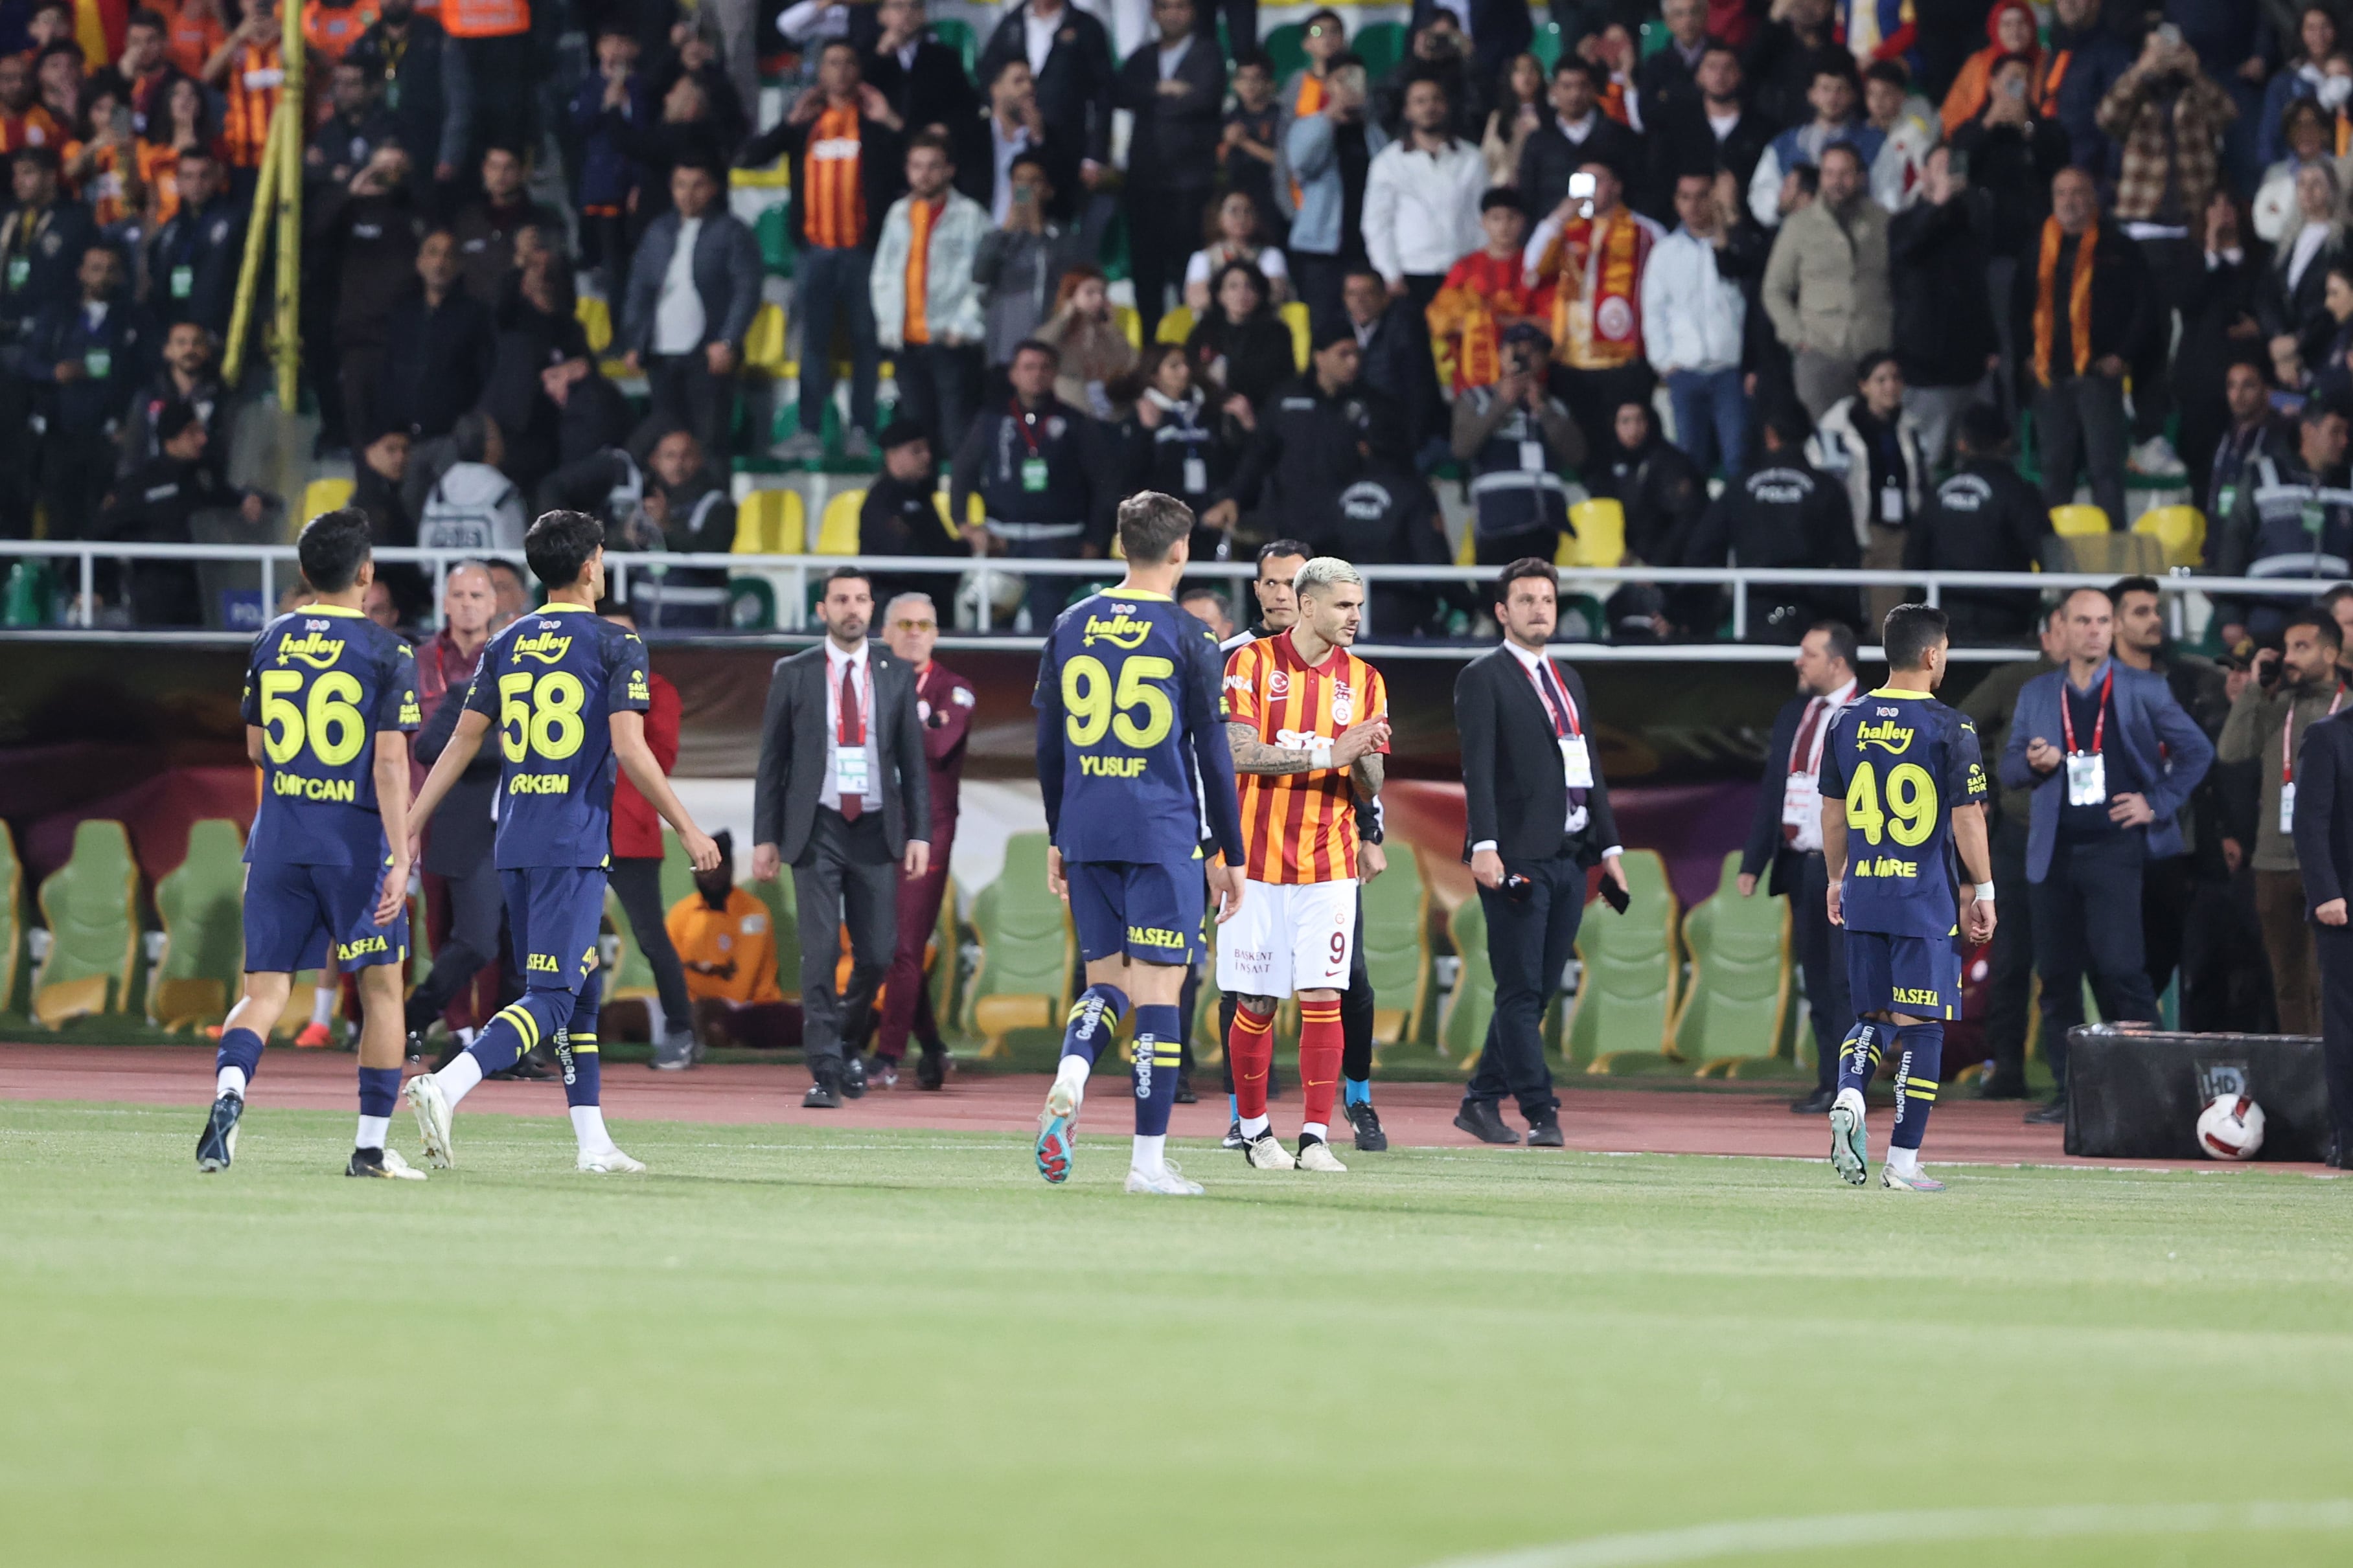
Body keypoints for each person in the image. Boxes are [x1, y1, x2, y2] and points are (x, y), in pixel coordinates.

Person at [404, 510, 724, 1174]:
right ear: (589, 566)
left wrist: (409, 822)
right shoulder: (614, 643)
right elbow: (630, 750)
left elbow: (460, 742)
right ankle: (448, 1084)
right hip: (571, 841)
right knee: (550, 997)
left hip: (515, 838)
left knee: (577, 989)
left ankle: (593, 1143)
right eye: (602, 558)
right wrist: (687, 826)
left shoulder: (506, 643)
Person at [196, 511, 424, 1179]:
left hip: (277, 838)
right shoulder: (390, 652)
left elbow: (256, 744)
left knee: (264, 991)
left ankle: (229, 1097)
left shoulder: (272, 639)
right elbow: (389, 766)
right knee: (383, 992)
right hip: (352, 845)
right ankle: (371, 1149)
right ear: (366, 573)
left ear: (303, 573)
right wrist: (401, 853)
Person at [1028, 492, 1244, 1194]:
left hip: (1087, 827)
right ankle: (1146, 1165)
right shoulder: (1192, 635)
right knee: (1158, 994)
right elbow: (1213, 759)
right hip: (1161, 832)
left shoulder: (1068, 624)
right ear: (1179, 552)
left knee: (1104, 985)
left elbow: (1047, 746)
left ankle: (1071, 1076)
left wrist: (1059, 833)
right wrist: (1229, 856)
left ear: (1122, 547)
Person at [2000, 587, 2214, 1125]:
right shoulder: (2037, 694)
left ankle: (2154, 1090)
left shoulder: (2144, 687)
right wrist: (2033, 762)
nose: (2094, 630)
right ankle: (2071, 1094)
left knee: (2123, 971)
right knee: (2057, 978)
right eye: (2084, 621)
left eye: (2102, 620)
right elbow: (2007, 771)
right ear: (2063, 629)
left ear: (2112, 628)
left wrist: (2156, 802)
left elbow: (2198, 751)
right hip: (2052, 852)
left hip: (2114, 850)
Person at [1818, 602, 1997, 1192]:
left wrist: (1837, 879)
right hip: (1923, 899)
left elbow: (1833, 812)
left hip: (1866, 893)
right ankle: (1901, 1162)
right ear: (1932, 654)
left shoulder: (1845, 721)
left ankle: (1848, 1091)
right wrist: (1985, 889)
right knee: (1921, 1027)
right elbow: (1968, 815)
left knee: (1871, 1017)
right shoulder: (1953, 726)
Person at [1217, 555, 1388, 1172]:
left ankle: (1316, 1138)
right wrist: (1329, 750)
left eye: (1359, 606)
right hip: (1255, 862)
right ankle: (1257, 1131)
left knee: (1324, 995)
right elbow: (1239, 752)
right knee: (1257, 1001)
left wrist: (1365, 756)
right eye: (1344, 605)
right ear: (1307, 604)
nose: (1354, 617)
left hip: (1330, 860)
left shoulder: (1366, 680)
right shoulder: (1250, 664)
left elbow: (1369, 781)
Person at [1454, 558, 1629, 1146]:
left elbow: (1590, 769)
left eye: (1547, 599)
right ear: (1502, 612)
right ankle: (1541, 1111)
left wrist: (1610, 848)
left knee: (1538, 989)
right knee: (1521, 990)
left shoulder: (1569, 679)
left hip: (1569, 856)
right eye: (1526, 599)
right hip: (1513, 858)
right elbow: (1475, 771)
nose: (1539, 609)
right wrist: (1483, 845)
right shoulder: (1483, 676)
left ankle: (1480, 1099)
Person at [750, 566, 931, 1109]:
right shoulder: (795, 671)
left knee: (878, 953)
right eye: (840, 599)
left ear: (872, 609)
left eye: (860, 599)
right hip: (818, 824)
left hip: (877, 826)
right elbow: (772, 761)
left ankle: (848, 1037)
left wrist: (920, 832)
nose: (852, 608)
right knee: (820, 952)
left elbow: (913, 763)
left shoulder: (895, 672)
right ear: (822, 609)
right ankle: (825, 1068)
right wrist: (766, 835)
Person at [740, 41, 903, 463]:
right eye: (833, 62)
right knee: (813, 344)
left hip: (863, 252)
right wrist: (788, 122)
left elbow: (914, 161)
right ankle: (808, 431)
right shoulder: (806, 124)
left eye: (850, 61)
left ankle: (862, 431)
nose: (842, 70)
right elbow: (750, 157)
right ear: (821, 72)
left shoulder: (871, 123)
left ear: (859, 70)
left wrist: (890, 120)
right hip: (814, 252)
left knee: (867, 343)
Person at [1739, 621, 1862, 1114]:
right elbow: (1775, 788)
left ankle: (1848, 1085)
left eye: (1808, 654)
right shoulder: (1796, 713)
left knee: (1844, 981)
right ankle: (1828, 1080)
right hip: (1802, 866)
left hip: (1850, 872)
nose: (1798, 662)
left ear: (1837, 662)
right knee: (1816, 976)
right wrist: (1755, 860)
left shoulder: (1870, 714)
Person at [2217, 611, 2347, 1039]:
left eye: (2302, 647)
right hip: (2272, 859)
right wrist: (2255, 688)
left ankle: (2334, 1083)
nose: (2290, 657)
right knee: (2288, 984)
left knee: (2327, 982)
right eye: (2288, 647)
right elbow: (2232, 750)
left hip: (2331, 865)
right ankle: (2301, 1078)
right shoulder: (2276, 705)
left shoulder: (2347, 709)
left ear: (2331, 652)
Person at [861, 591, 972, 1089]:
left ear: (937, 633)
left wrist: (898, 723)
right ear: (884, 632)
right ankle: (931, 1047)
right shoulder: (866, 681)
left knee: (902, 943)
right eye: (903, 623)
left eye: (924, 624)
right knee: (883, 942)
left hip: (929, 829)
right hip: (875, 823)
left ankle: (887, 1056)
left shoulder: (956, 688)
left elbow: (939, 744)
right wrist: (921, 721)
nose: (914, 632)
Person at [402, 560, 507, 1058]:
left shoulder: (512, 661)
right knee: (452, 936)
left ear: (494, 604)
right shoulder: (427, 666)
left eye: (477, 595)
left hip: (508, 825)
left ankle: (498, 1040)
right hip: (440, 824)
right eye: (458, 595)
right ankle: (437, 1024)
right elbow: (419, 746)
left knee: (497, 940)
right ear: (444, 602)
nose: (467, 604)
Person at [1961, 604, 2063, 1100]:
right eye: (2072, 623)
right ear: (2048, 634)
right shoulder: (2016, 678)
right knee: (2010, 958)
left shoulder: (2115, 683)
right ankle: (2006, 1065)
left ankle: (2080, 1075)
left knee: (2075, 961)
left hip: (2082, 837)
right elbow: (1959, 728)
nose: (2085, 634)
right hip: (2019, 834)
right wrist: (1981, 782)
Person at [2014, 166, 2152, 532]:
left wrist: (2122, 355)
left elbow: (2144, 307)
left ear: (2092, 199)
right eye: (2061, 193)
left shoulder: (2118, 246)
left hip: (2097, 378)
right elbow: (2017, 308)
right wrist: (2027, 356)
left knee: (2106, 471)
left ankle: (2113, 566)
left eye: (2078, 193)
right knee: (2054, 474)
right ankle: (2051, 564)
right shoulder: (2035, 249)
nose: (2070, 201)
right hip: (2050, 378)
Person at [948, 337, 1119, 631]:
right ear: (1013, 374)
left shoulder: (1077, 423)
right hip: (1001, 541)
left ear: (1055, 374)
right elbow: (962, 471)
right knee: (987, 621)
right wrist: (963, 523)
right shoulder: (992, 420)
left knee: (1048, 625)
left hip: (1058, 543)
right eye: (1028, 367)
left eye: (1044, 367)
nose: (1036, 374)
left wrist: (1095, 540)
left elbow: (1104, 485)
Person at [595, 598, 698, 1071]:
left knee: (651, 936)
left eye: (626, 636)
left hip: (632, 830)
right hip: (577, 827)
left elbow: (661, 761)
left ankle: (681, 1030)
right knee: (559, 940)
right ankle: (549, 1037)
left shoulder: (659, 691)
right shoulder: (572, 690)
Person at [619, 157, 761, 460]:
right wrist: (635, 341)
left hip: (707, 356)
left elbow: (746, 290)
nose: (688, 194)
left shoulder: (732, 232)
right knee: (666, 444)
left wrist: (728, 341)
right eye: (681, 185)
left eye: (698, 185)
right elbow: (640, 289)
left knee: (709, 443)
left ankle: (712, 507)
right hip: (661, 355)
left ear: (713, 189)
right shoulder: (658, 231)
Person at [1682, 405, 1860, 641]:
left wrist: (1705, 611)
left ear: (1769, 434)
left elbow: (1702, 549)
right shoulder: (1827, 487)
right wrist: (1851, 618)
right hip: (1814, 610)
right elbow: (1848, 556)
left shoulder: (1740, 487)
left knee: (1758, 678)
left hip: (1756, 608)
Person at [1525, 159, 1662, 458]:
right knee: (1578, 447)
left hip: (1622, 359)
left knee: (1622, 447)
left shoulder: (1646, 231)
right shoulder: (1564, 229)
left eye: (1596, 181)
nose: (1587, 191)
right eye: (1581, 181)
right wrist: (1560, 215)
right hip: (1571, 358)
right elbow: (1531, 267)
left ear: (1617, 186)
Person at [94, 399, 264, 625]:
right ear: (172, 436)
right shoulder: (141, 484)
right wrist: (97, 588)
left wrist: (247, 500)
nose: (202, 440)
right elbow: (102, 531)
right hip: (157, 598)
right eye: (192, 432)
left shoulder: (205, 477)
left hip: (205, 595)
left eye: (202, 431)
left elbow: (228, 500)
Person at [870, 131, 988, 451]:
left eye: (933, 166)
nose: (924, 174)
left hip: (950, 342)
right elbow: (883, 274)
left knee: (957, 434)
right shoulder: (898, 214)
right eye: (917, 166)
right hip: (906, 343)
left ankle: (962, 501)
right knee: (918, 438)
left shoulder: (970, 216)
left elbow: (984, 278)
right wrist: (888, 326)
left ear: (950, 170)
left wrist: (962, 327)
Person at [1888, 144, 2002, 470]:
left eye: (1952, 167)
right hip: (1925, 364)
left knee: (1978, 460)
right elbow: (1908, 249)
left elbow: (1980, 286)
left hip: (1971, 362)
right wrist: (1936, 204)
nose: (1947, 174)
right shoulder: (1902, 222)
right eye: (1939, 167)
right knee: (1926, 459)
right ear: (1922, 174)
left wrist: (1990, 342)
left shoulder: (1971, 220)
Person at [1114, 0, 1223, 339]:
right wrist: (1163, 91)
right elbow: (1118, 92)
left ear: (1193, 12)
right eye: (1165, 7)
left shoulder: (1208, 54)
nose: (1172, 14)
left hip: (1190, 186)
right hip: (1145, 185)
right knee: (1147, 276)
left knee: (1188, 274)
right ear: (1154, 13)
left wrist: (1149, 101)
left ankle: (1192, 349)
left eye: (1180, 6)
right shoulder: (1143, 57)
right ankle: (1151, 353)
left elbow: (1205, 98)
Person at [1763, 142, 1892, 420]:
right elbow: (1774, 289)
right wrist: (1797, 337)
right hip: (1820, 353)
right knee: (1826, 445)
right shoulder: (1799, 225)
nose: (1837, 182)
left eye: (1845, 174)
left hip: (1875, 352)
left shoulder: (1884, 222)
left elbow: (1899, 282)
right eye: (1829, 173)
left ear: (1861, 177)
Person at [2212, 397, 2353, 647]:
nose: (2344, 441)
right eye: (2335, 432)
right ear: (2308, 431)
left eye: (2346, 433)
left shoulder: (2350, 484)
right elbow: (2233, 545)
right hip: (2269, 618)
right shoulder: (2261, 475)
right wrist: (2231, 616)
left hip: (2332, 624)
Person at [1901, 403, 2048, 644]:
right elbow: (2048, 553)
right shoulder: (2021, 492)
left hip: (1944, 617)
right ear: (2006, 441)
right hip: (2008, 621)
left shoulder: (1937, 492)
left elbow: (1913, 557)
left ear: (1962, 444)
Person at [27, 244, 144, 541]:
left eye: (110, 270)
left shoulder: (132, 320)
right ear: (81, 272)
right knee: (59, 515)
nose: (102, 277)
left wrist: (127, 421)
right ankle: (62, 583)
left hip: (107, 435)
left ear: (120, 276)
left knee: (103, 516)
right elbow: (28, 361)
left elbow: (143, 372)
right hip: (60, 433)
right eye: (95, 268)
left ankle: (97, 586)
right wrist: (54, 372)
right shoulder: (58, 316)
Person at [1643, 168, 1752, 479]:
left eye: (1702, 196)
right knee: (1689, 466)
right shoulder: (1666, 253)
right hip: (1685, 372)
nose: (1693, 205)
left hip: (1729, 370)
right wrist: (1664, 362)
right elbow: (1654, 311)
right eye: (1685, 197)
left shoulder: (1737, 246)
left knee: (1738, 460)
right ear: (1676, 202)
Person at [1451, 321, 1581, 565]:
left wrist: (1543, 410)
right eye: (1518, 350)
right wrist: (1501, 403)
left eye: (1534, 351)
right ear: (1501, 355)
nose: (1526, 357)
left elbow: (1576, 455)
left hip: (1545, 523)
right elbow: (1462, 448)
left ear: (1543, 359)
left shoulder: (1554, 405)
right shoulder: (1475, 399)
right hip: (1498, 521)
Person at [1817, 350, 1927, 628]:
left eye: (1896, 378)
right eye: (1881, 380)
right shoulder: (1836, 427)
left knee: (1887, 622)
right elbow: (1825, 481)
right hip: (1849, 533)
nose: (1890, 386)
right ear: (1863, 386)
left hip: (1893, 534)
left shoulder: (1910, 427)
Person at [2289, 694, 2353, 1159]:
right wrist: (2326, 892)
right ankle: (2350, 1141)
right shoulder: (2328, 735)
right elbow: (2309, 822)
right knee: (2347, 1027)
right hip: (2345, 911)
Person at [1362, 72, 1484, 315]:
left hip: (1464, 272)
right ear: (1407, 111)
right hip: (1411, 275)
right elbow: (1377, 223)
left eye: (1436, 99)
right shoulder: (1389, 162)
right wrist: (1389, 273)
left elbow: (1483, 217)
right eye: (1420, 101)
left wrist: (1482, 268)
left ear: (1446, 106)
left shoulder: (1471, 158)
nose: (1429, 107)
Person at [1283, 58, 1383, 334]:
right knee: (1325, 326)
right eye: (1342, 80)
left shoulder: (1373, 131)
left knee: (1371, 323)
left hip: (1366, 245)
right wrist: (1329, 116)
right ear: (1327, 85)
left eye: (1355, 79)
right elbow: (1301, 164)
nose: (1349, 88)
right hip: (1322, 248)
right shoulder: (1308, 125)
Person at [668, 830, 792, 1050]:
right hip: (688, 1007)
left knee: (713, 1020)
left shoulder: (753, 914)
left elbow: (739, 989)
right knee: (616, 1017)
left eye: (720, 866)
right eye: (705, 868)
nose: (713, 875)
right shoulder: (680, 914)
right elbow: (670, 978)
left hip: (751, 1008)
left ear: (731, 868)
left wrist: (694, 976)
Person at [973, 0, 1114, 193]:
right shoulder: (1012, 22)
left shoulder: (1085, 26)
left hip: (1065, 150)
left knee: (1055, 211)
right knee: (1016, 201)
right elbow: (987, 76)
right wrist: (1004, 120)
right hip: (1015, 146)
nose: (1028, 88)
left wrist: (1094, 157)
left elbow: (1103, 94)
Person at [1426, 186, 1548, 394]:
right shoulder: (1464, 268)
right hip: (1473, 373)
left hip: (1527, 374)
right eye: (1496, 218)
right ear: (1483, 223)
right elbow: (1438, 318)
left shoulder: (1537, 266)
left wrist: (1492, 322)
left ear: (1523, 221)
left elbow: (1551, 323)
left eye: (1511, 218)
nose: (1504, 226)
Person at [1747, 56, 1883, 233]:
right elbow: (1762, 194)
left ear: (1853, 95)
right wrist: (1782, 206)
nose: (1833, 98)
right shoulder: (1784, 144)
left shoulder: (1874, 143)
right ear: (1811, 94)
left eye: (1841, 90)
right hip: (1796, 240)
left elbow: (1887, 198)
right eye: (1825, 89)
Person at [860, 418, 966, 611]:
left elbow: (940, 544)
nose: (927, 457)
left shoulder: (921, 495)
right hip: (895, 608)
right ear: (892, 456)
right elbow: (907, 554)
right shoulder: (881, 502)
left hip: (932, 603)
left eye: (927, 450)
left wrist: (968, 547)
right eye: (916, 451)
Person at [1517, 59, 1638, 222]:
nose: (1575, 94)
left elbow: (1635, 190)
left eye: (1582, 86)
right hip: (1553, 238)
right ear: (1554, 90)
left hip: (1612, 236)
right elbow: (1527, 195)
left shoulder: (1618, 136)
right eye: (1567, 87)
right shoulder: (1538, 141)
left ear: (1594, 89)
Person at [1343, 264, 1445, 458]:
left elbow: (1418, 393)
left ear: (1385, 297)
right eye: (1353, 294)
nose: (1360, 302)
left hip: (1401, 439)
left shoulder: (1406, 330)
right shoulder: (1336, 330)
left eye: (1368, 293)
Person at [1182, 260, 1293, 418]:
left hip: (1261, 409)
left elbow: (1275, 377)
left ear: (1260, 295)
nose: (1242, 293)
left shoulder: (1276, 332)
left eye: (1250, 287)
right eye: (1233, 287)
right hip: (1210, 407)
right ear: (1220, 295)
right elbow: (1191, 368)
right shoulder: (1204, 331)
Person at [1039, 264, 1140, 418]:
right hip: (1070, 415)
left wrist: (1112, 329)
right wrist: (1063, 318)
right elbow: (1038, 349)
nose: (1099, 299)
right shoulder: (1060, 333)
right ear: (1071, 294)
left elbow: (1134, 364)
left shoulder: (1109, 333)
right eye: (1090, 293)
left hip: (1110, 417)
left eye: (1102, 293)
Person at [415, 411, 524, 552]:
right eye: (497, 437)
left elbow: (426, 562)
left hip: (444, 574)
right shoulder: (504, 491)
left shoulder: (439, 491)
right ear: (489, 445)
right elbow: (515, 556)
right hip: (489, 574)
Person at [1184, 188, 1290, 312]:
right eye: (1234, 211)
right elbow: (1197, 300)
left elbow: (1275, 296)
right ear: (1218, 216)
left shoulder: (1271, 255)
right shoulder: (1202, 258)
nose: (1242, 217)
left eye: (1248, 211)